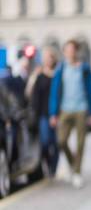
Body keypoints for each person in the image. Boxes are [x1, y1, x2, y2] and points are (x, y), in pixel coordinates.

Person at [49, 39, 91, 188]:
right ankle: (72, 164)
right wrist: (53, 113)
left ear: (76, 51)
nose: (70, 52)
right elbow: (55, 92)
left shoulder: (84, 69)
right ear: (64, 52)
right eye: (67, 50)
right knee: (61, 141)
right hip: (65, 110)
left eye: (72, 49)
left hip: (81, 109)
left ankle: (77, 173)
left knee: (80, 143)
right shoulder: (61, 69)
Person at [31, 47, 60, 177]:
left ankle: (53, 168)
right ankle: (47, 164)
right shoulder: (39, 75)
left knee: (57, 143)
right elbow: (33, 95)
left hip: (57, 114)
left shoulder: (58, 75)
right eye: (45, 58)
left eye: (49, 57)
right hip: (43, 114)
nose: (47, 60)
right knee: (45, 142)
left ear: (53, 59)